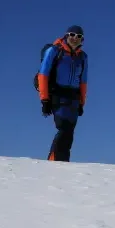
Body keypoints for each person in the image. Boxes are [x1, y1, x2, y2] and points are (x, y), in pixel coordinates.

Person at [38, 26, 88, 162]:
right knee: (64, 128)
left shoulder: (83, 57)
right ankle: (54, 161)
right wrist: (44, 100)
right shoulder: (54, 51)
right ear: (66, 35)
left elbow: (83, 81)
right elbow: (43, 75)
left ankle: (63, 162)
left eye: (79, 36)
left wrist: (82, 103)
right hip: (57, 94)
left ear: (82, 39)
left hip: (73, 97)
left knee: (70, 132)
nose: (75, 38)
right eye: (72, 34)